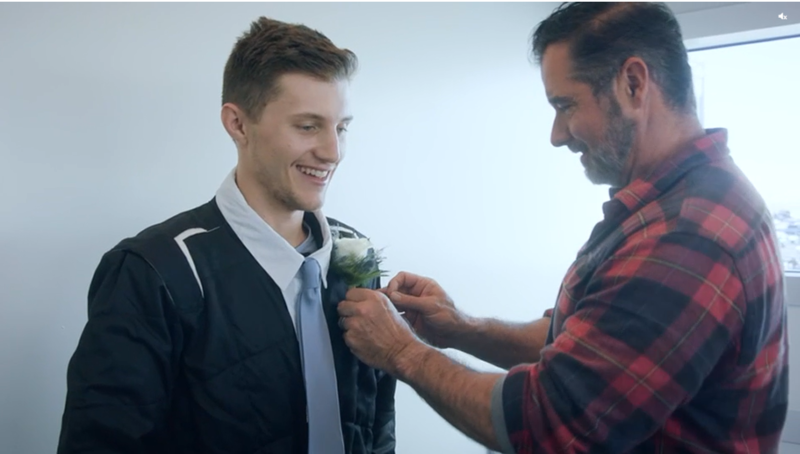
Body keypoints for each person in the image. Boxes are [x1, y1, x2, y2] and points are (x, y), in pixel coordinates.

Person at [336, 2, 788, 453]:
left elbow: (546, 425)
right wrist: (460, 328)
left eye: (565, 105)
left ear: (633, 84)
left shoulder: (684, 237)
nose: (557, 134)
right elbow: (586, 350)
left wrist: (401, 352)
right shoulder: (678, 203)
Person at [57, 17, 396, 454]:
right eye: (308, 126)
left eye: (341, 127)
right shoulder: (152, 274)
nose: (333, 151)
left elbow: (376, 419)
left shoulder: (357, 257)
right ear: (238, 124)